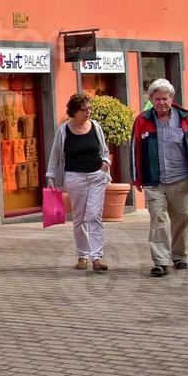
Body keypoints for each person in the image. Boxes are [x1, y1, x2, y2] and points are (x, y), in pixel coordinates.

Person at [133, 79, 188, 278]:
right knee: (158, 220)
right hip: (155, 181)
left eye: (165, 98)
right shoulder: (143, 120)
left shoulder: (185, 119)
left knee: (182, 218)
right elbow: (135, 151)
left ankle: (179, 255)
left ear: (172, 99)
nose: (161, 102)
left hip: (181, 179)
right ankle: (160, 262)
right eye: (157, 98)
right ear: (150, 99)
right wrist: (137, 179)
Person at [45, 94, 113, 272]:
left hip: (97, 175)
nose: (88, 112)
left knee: (94, 215)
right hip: (75, 177)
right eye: (84, 109)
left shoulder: (96, 126)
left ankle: (97, 258)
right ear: (74, 111)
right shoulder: (63, 131)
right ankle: (82, 256)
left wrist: (106, 162)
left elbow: (104, 150)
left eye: (90, 108)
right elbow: (56, 155)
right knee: (80, 218)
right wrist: (50, 176)